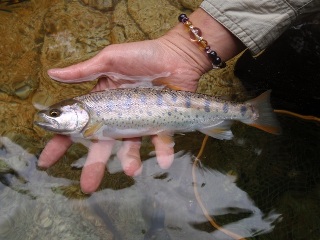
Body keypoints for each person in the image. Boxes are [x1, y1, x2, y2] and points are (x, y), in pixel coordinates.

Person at [37, 0, 320, 193]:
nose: (50, 116)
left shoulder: (93, 121)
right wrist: (187, 49)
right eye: (54, 114)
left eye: (55, 114)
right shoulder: (91, 119)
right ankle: (249, 110)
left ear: (77, 110)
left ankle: (250, 110)